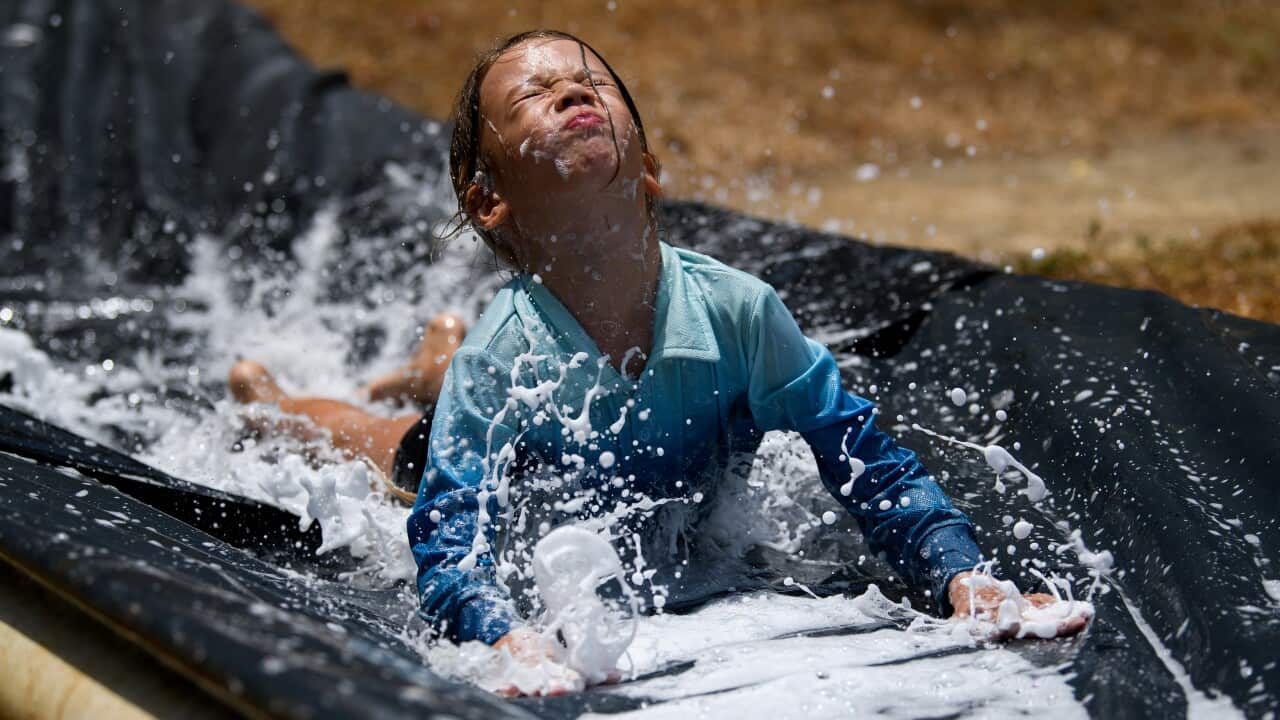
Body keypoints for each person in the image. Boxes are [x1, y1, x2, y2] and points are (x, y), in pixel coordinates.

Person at [230, 28, 1085, 698]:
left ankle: (431, 357)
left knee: (441, 393)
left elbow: (863, 457)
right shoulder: (508, 361)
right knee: (383, 445)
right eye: (533, 95)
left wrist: (960, 573)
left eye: (592, 83)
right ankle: (278, 402)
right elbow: (450, 546)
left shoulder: (738, 313)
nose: (571, 89)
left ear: (647, 168)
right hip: (501, 453)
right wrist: (502, 634)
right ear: (488, 201)